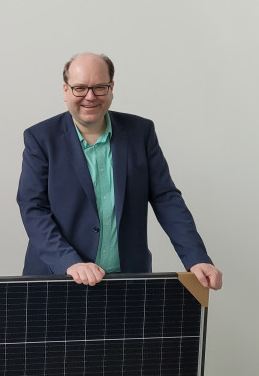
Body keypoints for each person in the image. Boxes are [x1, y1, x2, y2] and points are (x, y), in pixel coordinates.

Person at [17, 53, 222, 289]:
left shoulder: (140, 132)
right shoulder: (41, 138)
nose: (90, 97)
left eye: (100, 87)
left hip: (126, 279)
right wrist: (69, 262)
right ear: (65, 91)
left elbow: (166, 198)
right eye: (80, 88)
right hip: (58, 277)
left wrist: (196, 258)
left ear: (111, 88)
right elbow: (33, 208)